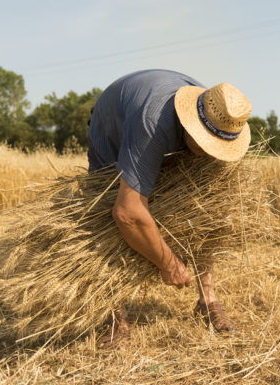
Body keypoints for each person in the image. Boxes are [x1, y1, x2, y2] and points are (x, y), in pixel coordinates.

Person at [87, 69, 252, 347]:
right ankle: (114, 315)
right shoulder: (151, 124)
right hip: (113, 125)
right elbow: (127, 213)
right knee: (106, 216)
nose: (210, 150)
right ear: (189, 123)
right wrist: (169, 263)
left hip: (160, 123)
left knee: (204, 208)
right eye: (204, 142)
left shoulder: (221, 112)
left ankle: (207, 302)